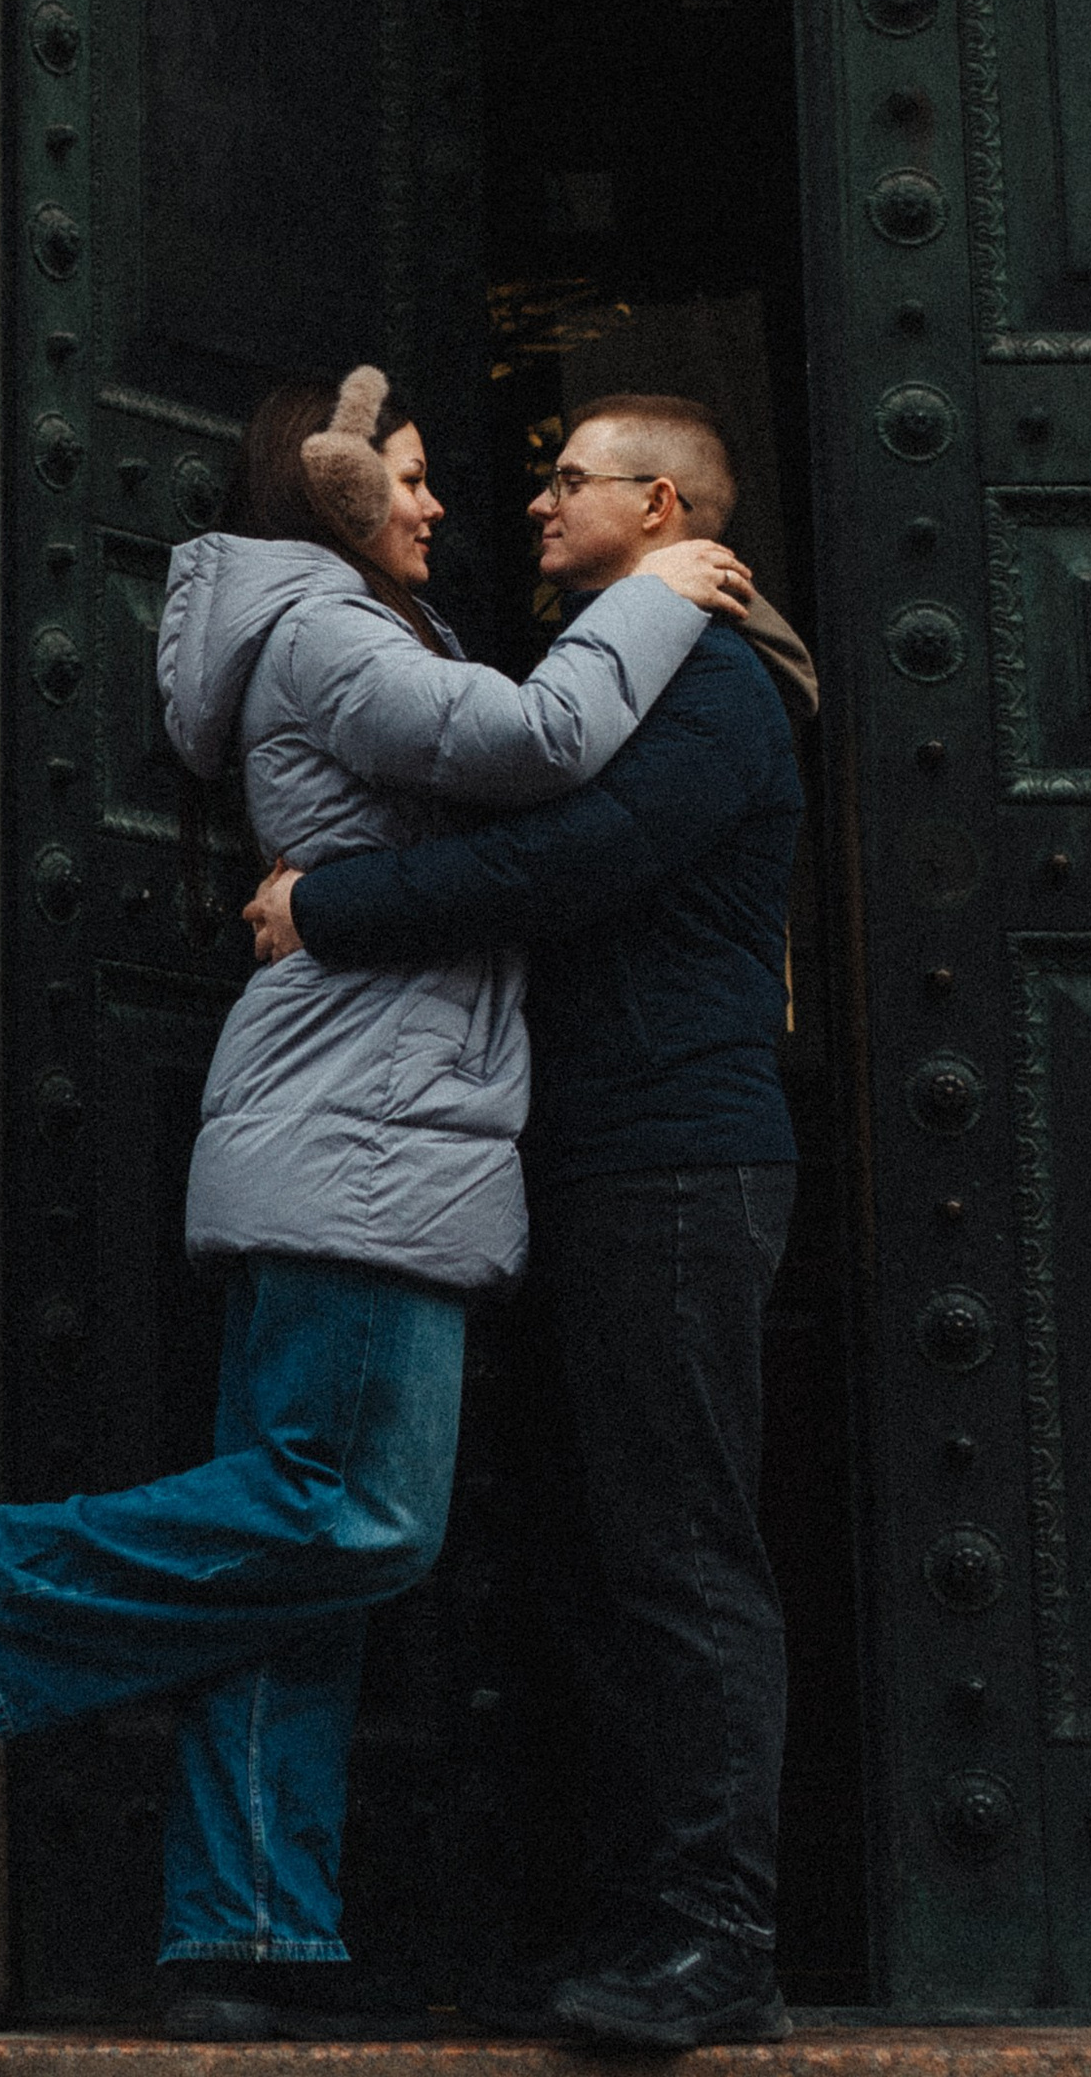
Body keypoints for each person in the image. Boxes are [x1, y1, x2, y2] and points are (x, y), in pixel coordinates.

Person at [0, 366, 752, 2040]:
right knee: (358, 1517)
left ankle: (244, 1931)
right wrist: (657, 599)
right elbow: (540, 742)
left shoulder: (341, 630)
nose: (435, 508)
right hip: (365, 1133)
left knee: (297, 1537)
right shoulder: (332, 633)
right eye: (405, 479)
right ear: (326, 495)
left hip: (367, 1125)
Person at [246, 392, 812, 2051]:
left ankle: (720, 1947)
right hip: (592, 1160)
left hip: (681, 1165)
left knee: (682, 1555)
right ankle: (626, 1922)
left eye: (570, 480)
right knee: (592, 1553)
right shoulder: (634, 668)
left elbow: (576, 861)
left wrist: (330, 905)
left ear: (661, 507)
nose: (539, 501)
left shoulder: (713, 681)